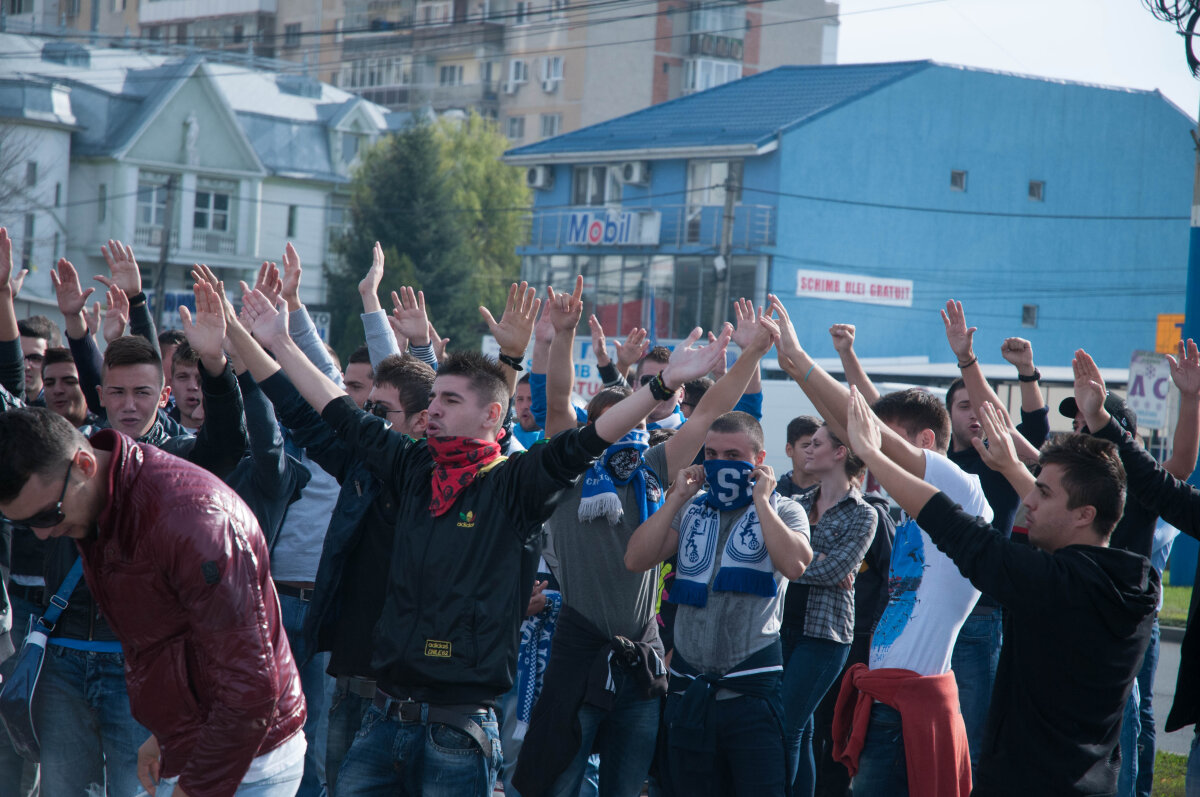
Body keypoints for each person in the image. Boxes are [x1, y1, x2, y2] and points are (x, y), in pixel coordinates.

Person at [237, 278, 729, 797]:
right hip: (381, 719)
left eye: (450, 400)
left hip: (458, 728)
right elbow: (334, 407)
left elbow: (588, 439)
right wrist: (280, 340)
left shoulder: (514, 483)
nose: (435, 411)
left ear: (492, 415)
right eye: (432, 400)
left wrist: (659, 387)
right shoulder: (410, 466)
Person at [514, 293, 774, 797]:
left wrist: (754, 354)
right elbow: (559, 401)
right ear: (592, 431)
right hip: (580, 645)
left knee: (627, 785)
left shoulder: (652, 468)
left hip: (642, 654)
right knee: (556, 782)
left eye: (637, 423)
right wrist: (564, 334)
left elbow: (710, 414)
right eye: (616, 424)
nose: (629, 432)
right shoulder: (568, 469)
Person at [844, 379, 1158, 797]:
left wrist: (871, 454)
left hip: (1029, 782)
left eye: (1042, 493)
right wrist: (1012, 467)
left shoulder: (1051, 582)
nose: (1028, 502)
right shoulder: (1138, 582)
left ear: (1084, 514)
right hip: (1091, 782)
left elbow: (956, 528)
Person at [0, 408, 307, 796]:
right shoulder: (103, 505)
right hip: (197, 745)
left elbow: (251, 690)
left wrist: (195, 786)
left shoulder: (191, 522)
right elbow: (165, 640)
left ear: (84, 463)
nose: (43, 535)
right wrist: (166, 733)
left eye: (48, 514)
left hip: (250, 762)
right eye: (26, 525)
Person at [766, 295, 989, 797]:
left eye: (888, 438)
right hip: (885, 702)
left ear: (925, 443)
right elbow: (858, 431)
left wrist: (803, 363)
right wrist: (801, 372)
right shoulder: (912, 513)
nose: (867, 448)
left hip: (911, 708)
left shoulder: (961, 493)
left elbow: (868, 438)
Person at [625, 411, 812, 797]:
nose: (720, 464)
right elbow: (636, 559)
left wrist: (761, 501)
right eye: (711, 454)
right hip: (690, 692)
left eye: (733, 455)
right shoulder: (693, 509)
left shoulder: (785, 508)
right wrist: (676, 497)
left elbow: (794, 563)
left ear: (759, 460)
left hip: (752, 694)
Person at [938, 301, 1052, 775]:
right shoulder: (935, 467)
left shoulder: (1002, 468)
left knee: (976, 732)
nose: (975, 415)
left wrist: (1022, 372)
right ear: (946, 417)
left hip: (982, 613)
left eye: (980, 406)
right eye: (963, 406)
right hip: (931, 607)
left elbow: (1037, 435)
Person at [780, 424, 875, 797]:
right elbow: (773, 557)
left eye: (816, 443)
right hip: (784, 627)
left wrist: (798, 562)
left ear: (839, 453)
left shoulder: (863, 514)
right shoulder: (797, 505)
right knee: (799, 730)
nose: (808, 449)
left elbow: (835, 570)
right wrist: (813, 563)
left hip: (825, 636)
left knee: (785, 726)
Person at [778, 415, 821, 498]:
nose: (812, 451)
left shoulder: (833, 492)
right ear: (789, 450)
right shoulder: (773, 494)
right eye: (806, 445)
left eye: (817, 445)